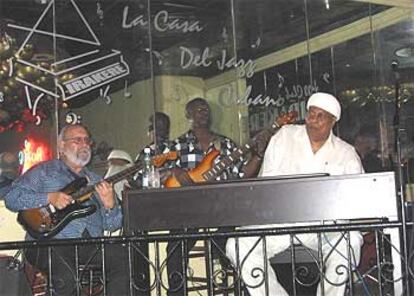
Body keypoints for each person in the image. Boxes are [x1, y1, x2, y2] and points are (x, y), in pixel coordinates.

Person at [226, 92, 364, 296]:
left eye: (321, 116)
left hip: (323, 227)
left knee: (351, 241)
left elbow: (359, 198)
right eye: (311, 114)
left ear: (333, 121)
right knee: (236, 245)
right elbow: (267, 184)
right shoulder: (284, 136)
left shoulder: (346, 153)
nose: (313, 120)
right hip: (281, 222)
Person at [4, 124, 129, 295]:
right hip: (48, 243)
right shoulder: (44, 171)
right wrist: (48, 197)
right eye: (77, 140)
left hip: (88, 244)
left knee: (126, 258)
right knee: (65, 276)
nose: (84, 144)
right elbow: (12, 198)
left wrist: (110, 205)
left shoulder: (95, 179)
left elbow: (112, 225)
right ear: (61, 146)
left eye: (87, 140)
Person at [166, 97, 267, 296]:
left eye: (206, 109)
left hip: (222, 208)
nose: (203, 112)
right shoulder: (177, 146)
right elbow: (156, 167)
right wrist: (174, 171)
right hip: (190, 210)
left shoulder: (226, 144)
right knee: (175, 244)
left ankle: (239, 286)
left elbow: (243, 174)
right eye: (198, 109)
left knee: (236, 237)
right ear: (188, 115)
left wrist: (258, 155)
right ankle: (176, 293)